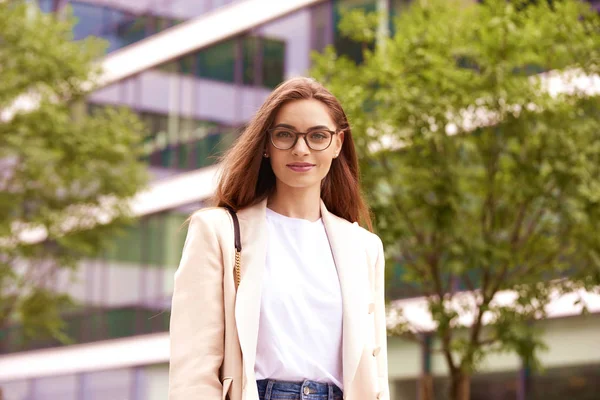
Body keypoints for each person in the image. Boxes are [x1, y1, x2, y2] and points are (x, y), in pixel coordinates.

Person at [168, 77, 389, 400]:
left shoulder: (364, 247)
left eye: (317, 136)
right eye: (285, 135)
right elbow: (194, 369)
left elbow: (375, 368)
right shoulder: (218, 232)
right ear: (266, 145)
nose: (301, 149)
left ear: (338, 144)